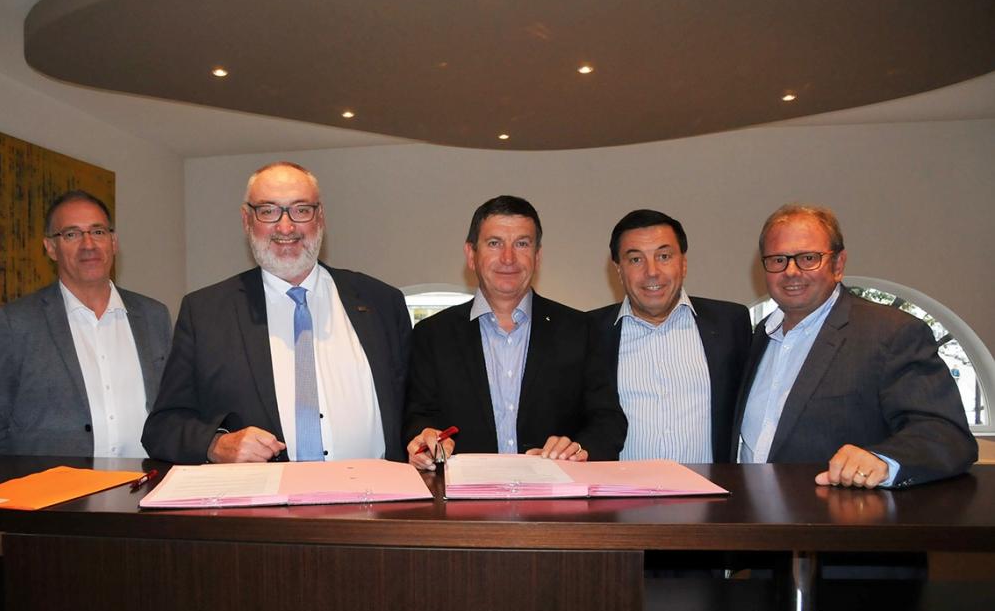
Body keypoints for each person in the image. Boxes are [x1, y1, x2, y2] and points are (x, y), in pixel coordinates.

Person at [142, 161, 411, 464]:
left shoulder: (382, 303)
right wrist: (216, 444)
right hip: (262, 494)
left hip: (375, 491)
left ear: (320, 218)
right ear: (246, 220)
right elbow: (162, 428)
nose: (286, 227)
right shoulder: (205, 313)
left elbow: (414, 411)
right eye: (268, 211)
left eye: (301, 210)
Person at [735, 203, 976, 488]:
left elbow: (947, 435)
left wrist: (881, 460)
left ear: (838, 265)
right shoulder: (759, 336)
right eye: (778, 260)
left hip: (839, 513)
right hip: (751, 512)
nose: (791, 271)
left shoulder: (892, 333)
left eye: (808, 258)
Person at [403, 195, 625, 469]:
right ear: (471, 255)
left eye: (522, 244)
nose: (508, 258)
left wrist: (578, 450)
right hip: (463, 493)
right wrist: (425, 439)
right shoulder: (432, 335)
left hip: (555, 492)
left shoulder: (580, 330)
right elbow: (418, 416)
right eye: (494, 243)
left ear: (537, 256)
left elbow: (608, 421)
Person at [0, 190, 172, 457]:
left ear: (113, 242)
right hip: (58, 483)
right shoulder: (16, 323)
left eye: (98, 232)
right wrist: (30, 476)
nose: (88, 245)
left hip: (148, 479)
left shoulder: (153, 316)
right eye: (71, 234)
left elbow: (173, 407)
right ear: (51, 248)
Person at [590, 209, 750, 463]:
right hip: (619, 488)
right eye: (636, 260)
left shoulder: (730, 324)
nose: (652, 271)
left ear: (683, 263)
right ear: (618, 270)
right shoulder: (589, 332)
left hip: (712, 487)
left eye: (664, 256)